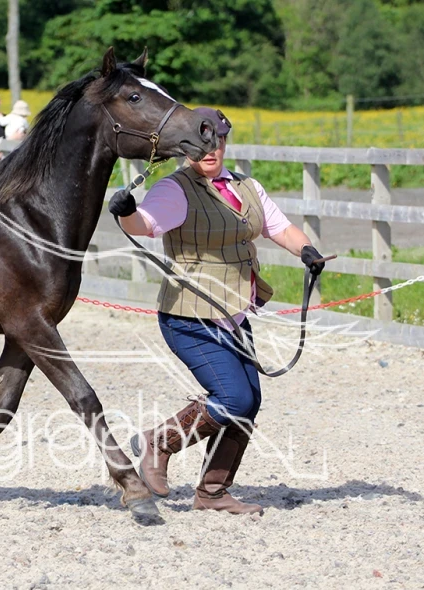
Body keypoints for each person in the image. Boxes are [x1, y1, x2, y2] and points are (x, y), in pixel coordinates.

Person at [108, 107, 326, 515]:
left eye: (218, 141)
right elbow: (146, 225)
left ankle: (212, 492)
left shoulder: (246, 187)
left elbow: (278, 227)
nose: (211, 150)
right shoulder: (176, 190)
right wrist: (126, 212)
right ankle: (159, 442)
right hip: (189, 317)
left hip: (235, 316)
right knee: (233, 397)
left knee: (248, 402)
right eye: (201, 143)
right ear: (186, 147)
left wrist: (306, 250)